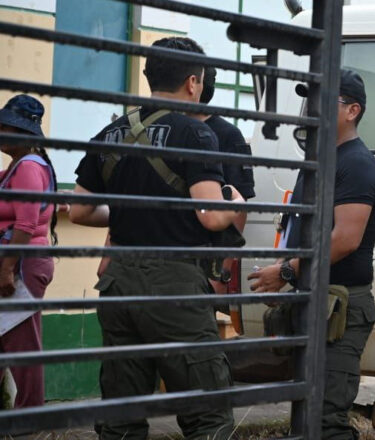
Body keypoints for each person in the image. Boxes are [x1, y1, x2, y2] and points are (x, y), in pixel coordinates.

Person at [69, 37, 242, 440]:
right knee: (208, 413)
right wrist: (232, 200)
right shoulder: (196, 135)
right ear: (194, 83)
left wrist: (134, 209)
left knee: (121, 416)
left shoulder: (110, 133)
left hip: (118, 282)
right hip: (173, 286)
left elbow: (79, 211)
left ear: (148, 77)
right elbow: (213, 216)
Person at [248, 69, 375, 440]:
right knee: (306, 417)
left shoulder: (355, 163)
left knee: (325, 422)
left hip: (339, 308)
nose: (312, 107)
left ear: (352, 110)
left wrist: (288, 272)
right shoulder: (323, 160)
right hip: (314, 302)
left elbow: (345, 239)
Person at [0, 94, 57, 408]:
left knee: (21, 342)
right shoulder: (17, 167)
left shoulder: (27, 168)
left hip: (22, 264)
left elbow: (26, 221)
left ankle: (30, 415)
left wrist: (7, 268)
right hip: (18, 260)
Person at [194, 66, 255, 296]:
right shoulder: (170, 129)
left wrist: (222, 269)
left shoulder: (228, 136)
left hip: (205, 261)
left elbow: (239, 207)